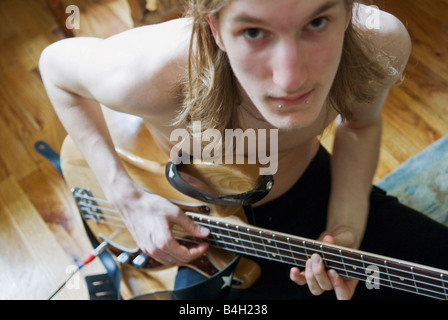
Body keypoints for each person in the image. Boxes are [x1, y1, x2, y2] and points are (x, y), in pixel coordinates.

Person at [39, 0, 448, 300]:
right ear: (214, 28)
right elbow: (55, 67)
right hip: (200, 222)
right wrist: (126, 198)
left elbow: (360, 124)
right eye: (253, 32)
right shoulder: (146, 72)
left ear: (346, 11)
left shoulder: (380, 42)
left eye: (318, 22)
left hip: (312, 186)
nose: (290, 78)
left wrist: (345, 227)